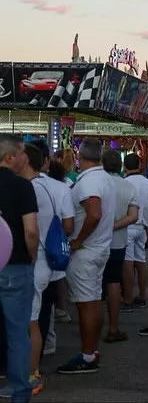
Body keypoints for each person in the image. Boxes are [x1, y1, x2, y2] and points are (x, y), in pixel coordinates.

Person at [58, 138, 116, 375]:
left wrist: (78, 241)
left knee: (86, 304)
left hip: (86, 251)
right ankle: (91, 351)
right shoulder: (104, 179)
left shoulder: (89, 181)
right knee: (92, 301)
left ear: (80, 157)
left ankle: (88, 355)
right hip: (99, 248)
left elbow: (93, 213)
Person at [21, 142, 74, 394]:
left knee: (27, 321)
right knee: (33, 319)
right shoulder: (56, 187)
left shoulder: (25, 189)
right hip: (45, 260)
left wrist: (31, 253)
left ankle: (30, 375)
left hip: (30, 260)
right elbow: (68, 225)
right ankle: (31, 372)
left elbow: (29, 231)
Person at [0, 136, 38, 402]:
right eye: (22, 152)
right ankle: (20, 392)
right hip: (16, 266)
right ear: (10, 157)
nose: (26, 157)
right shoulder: (23, 187)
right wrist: (32, 257)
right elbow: (31, 231)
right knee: (17, 332)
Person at [101, 150, 139, 344]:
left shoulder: (96, 183)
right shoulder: (127, 186)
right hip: (118, 242)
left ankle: (91, 326)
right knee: (114, 282)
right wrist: (114, 226)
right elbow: (134, 216)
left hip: (93, 242)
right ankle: (113, 327)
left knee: (92, 286)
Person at [122, 153, 148, 311]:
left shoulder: (124, 183)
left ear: (125, 166)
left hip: (126, 226)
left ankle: (127, 299)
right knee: (141, 261)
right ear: (140, 166)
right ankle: (142, 296)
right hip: (142, 227)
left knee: (127, 263)